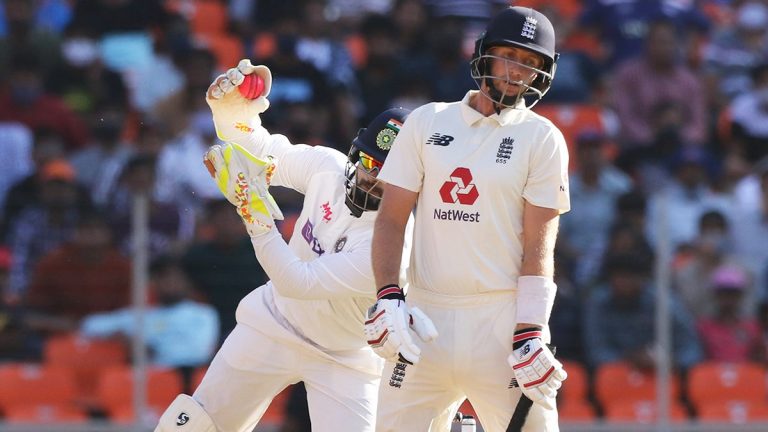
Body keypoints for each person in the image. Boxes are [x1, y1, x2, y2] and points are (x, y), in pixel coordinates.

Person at [155, 61, 434, 432]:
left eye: (388, 175)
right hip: (274, 321)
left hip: (344, 358)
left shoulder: (392, 245)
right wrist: (230, 114)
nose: (370, 179)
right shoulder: (327, 167)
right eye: (368, 162)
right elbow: (262, 149)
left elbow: (296, 281)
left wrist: (254, 216)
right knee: (193, 425)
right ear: (354, 152)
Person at [365, 6, 569, 431]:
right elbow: (391, 219)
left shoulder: (543, 138)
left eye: (530, 64)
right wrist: (387, 295)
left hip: (500, 322)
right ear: (484, 54)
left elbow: (539, 246)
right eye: (509, 56)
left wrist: (531, 330)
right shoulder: (426, 121)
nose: (517, 72)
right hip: (424, 319)